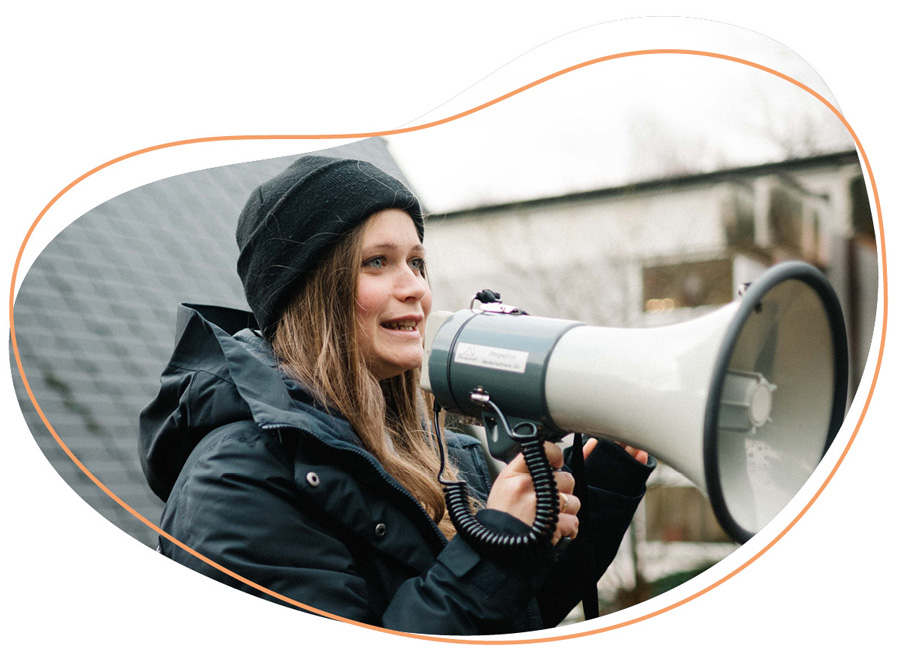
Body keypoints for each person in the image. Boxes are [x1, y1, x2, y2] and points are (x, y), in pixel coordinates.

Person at [139, 155, 655, 635]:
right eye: (377, 262)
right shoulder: (234, 484)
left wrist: (606, 485)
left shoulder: (445, 454)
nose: (416, 289)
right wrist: (497, 552)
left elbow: (510, 615)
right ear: (310, 292)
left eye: (417, 262)